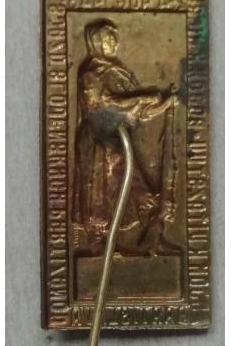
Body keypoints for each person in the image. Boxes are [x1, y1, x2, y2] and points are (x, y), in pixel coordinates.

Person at [73, 19, 175, 255]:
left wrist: (165, 104)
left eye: (114, 39)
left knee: (138, 189)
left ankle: (153, 237)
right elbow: (103, 104)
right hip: (99, 140)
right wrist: (143, 97)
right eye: (108, 39)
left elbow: (139, 112)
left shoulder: (120, 73)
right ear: (97, 43)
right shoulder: (91, 74)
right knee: (101, 194)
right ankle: (100, 245)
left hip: (120, 140)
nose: (114, 44)